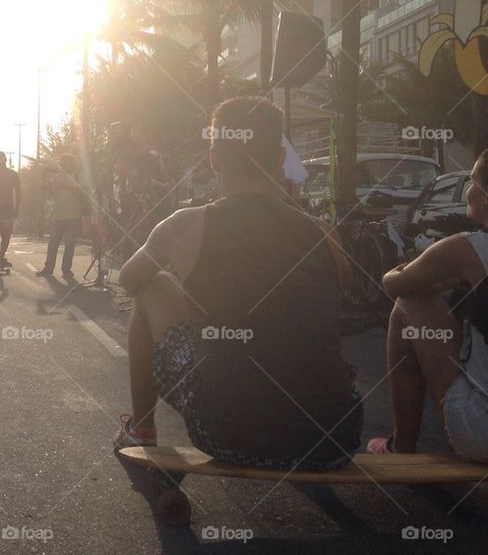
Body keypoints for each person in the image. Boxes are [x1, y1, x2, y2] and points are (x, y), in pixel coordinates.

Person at [113, 97, 362, 473]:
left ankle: (142, 430)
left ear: (214, 159)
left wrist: (195, 287)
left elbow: (129, 279)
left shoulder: (185, 225)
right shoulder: (324, 233)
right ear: (279, 159)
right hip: (336, 437)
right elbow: (337, 291)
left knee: (153, 285)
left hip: (230, 435)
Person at [366, 151, 488, 462]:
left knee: (410, 302)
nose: (468, 190)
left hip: (482, 432)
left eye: (472, 181)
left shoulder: (467, 248)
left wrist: (410, 271)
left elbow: (395, 284)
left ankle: (402, 447)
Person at [37, 153, 83, 278]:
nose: (62, 163)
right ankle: (48, 268)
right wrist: (45, 180)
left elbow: (82, 191)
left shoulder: (77, 175)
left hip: (73, 215)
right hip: (57, 216)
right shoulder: (55, 177)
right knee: (52, 244)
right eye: (60, 161)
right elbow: (46, 192)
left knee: (69, 244)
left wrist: (64, 186)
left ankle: (66, 270)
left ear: (71, 163)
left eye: (65, 161)